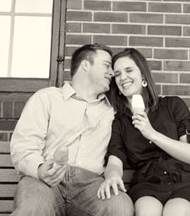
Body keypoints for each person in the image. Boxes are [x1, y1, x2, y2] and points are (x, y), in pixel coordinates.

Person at [10, 43, 133, 216]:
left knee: (120, 207)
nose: (112, 73)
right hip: (45, 181)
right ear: (85, 64)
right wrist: (39, 169)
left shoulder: (112, 110)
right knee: (34, 208)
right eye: (106, 65)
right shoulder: (47, 98)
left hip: (92, 186)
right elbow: (23, 146)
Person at [97, 48, 190, 216]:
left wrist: (151, 133)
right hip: (147, 183)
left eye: (129, 70)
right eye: (117, 74)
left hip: (185, 180)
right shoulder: (120, 123)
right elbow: (115, 161)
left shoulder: (173, 105)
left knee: (175, 212)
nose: (123, 77)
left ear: (144, 77)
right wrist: (111, 175)